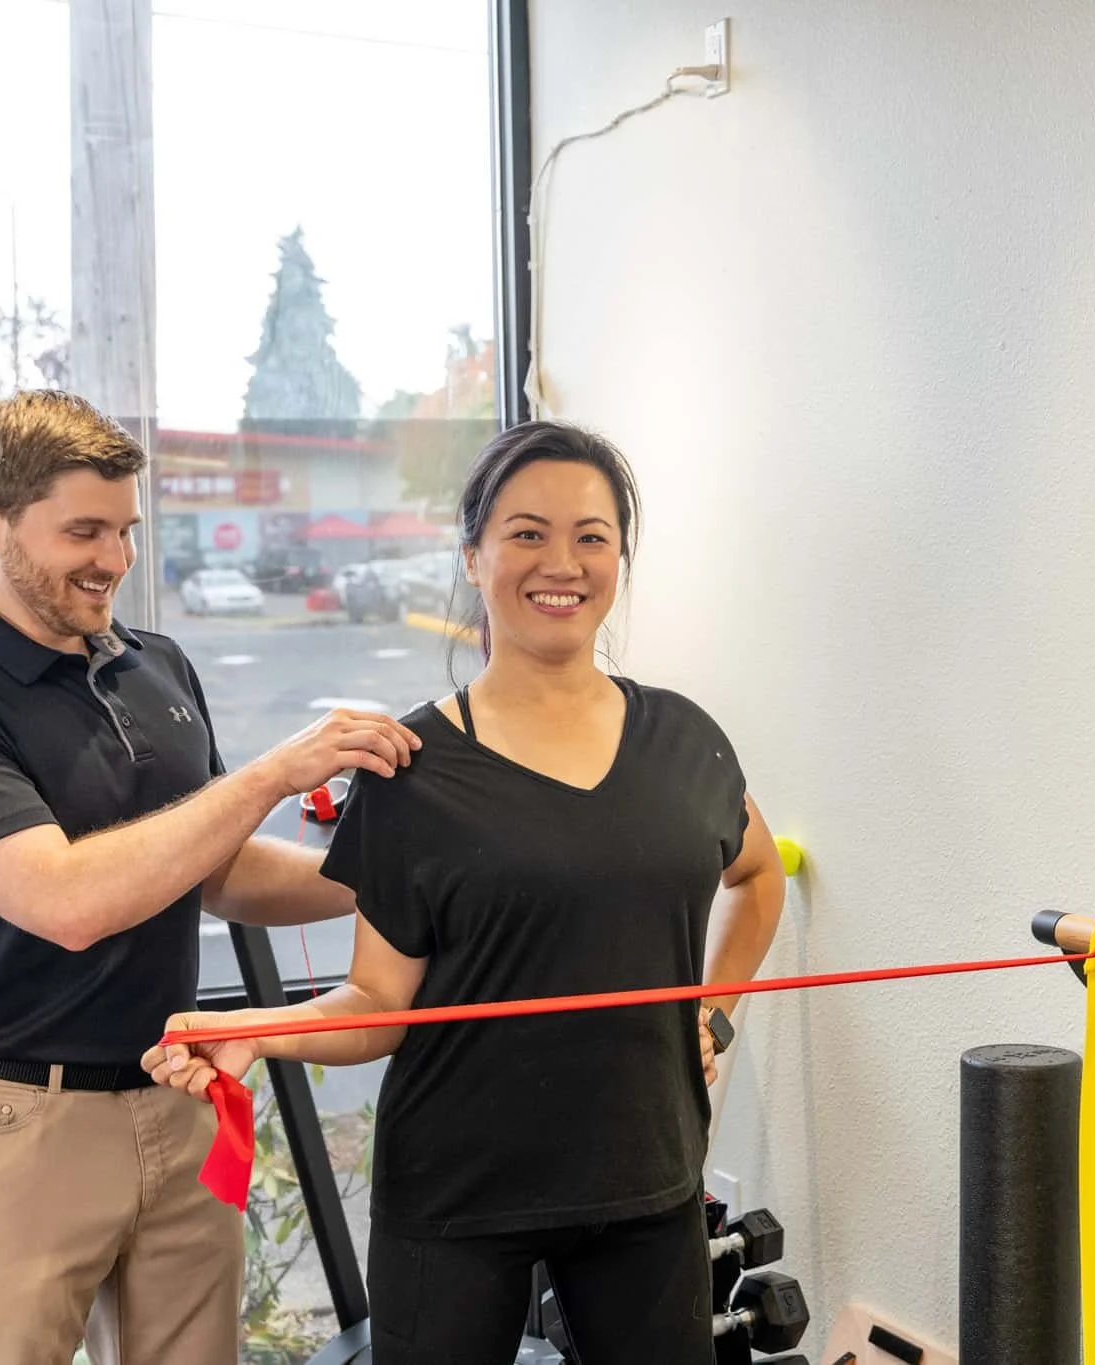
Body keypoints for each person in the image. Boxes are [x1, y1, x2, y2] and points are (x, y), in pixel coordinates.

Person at [147, 420, 789, 1365]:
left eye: (592, 535)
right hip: (455, 1200)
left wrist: (719, 1008)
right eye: (527, 532)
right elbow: (377, 1003)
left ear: (620, 557)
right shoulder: (412, 770)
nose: (560, 562)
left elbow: (759, 875)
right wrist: (254, 1028)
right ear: (474, 555)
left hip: (646, 1181)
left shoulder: (688, 743)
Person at [0, 390, 421, 1364]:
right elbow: (67, 900)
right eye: (83, 531)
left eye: (125, 529)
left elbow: (217, 869)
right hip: (9, 1121)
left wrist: (394, 873)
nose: (114, 559)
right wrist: (268, 774)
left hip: (180, 1097)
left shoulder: (152, 665)